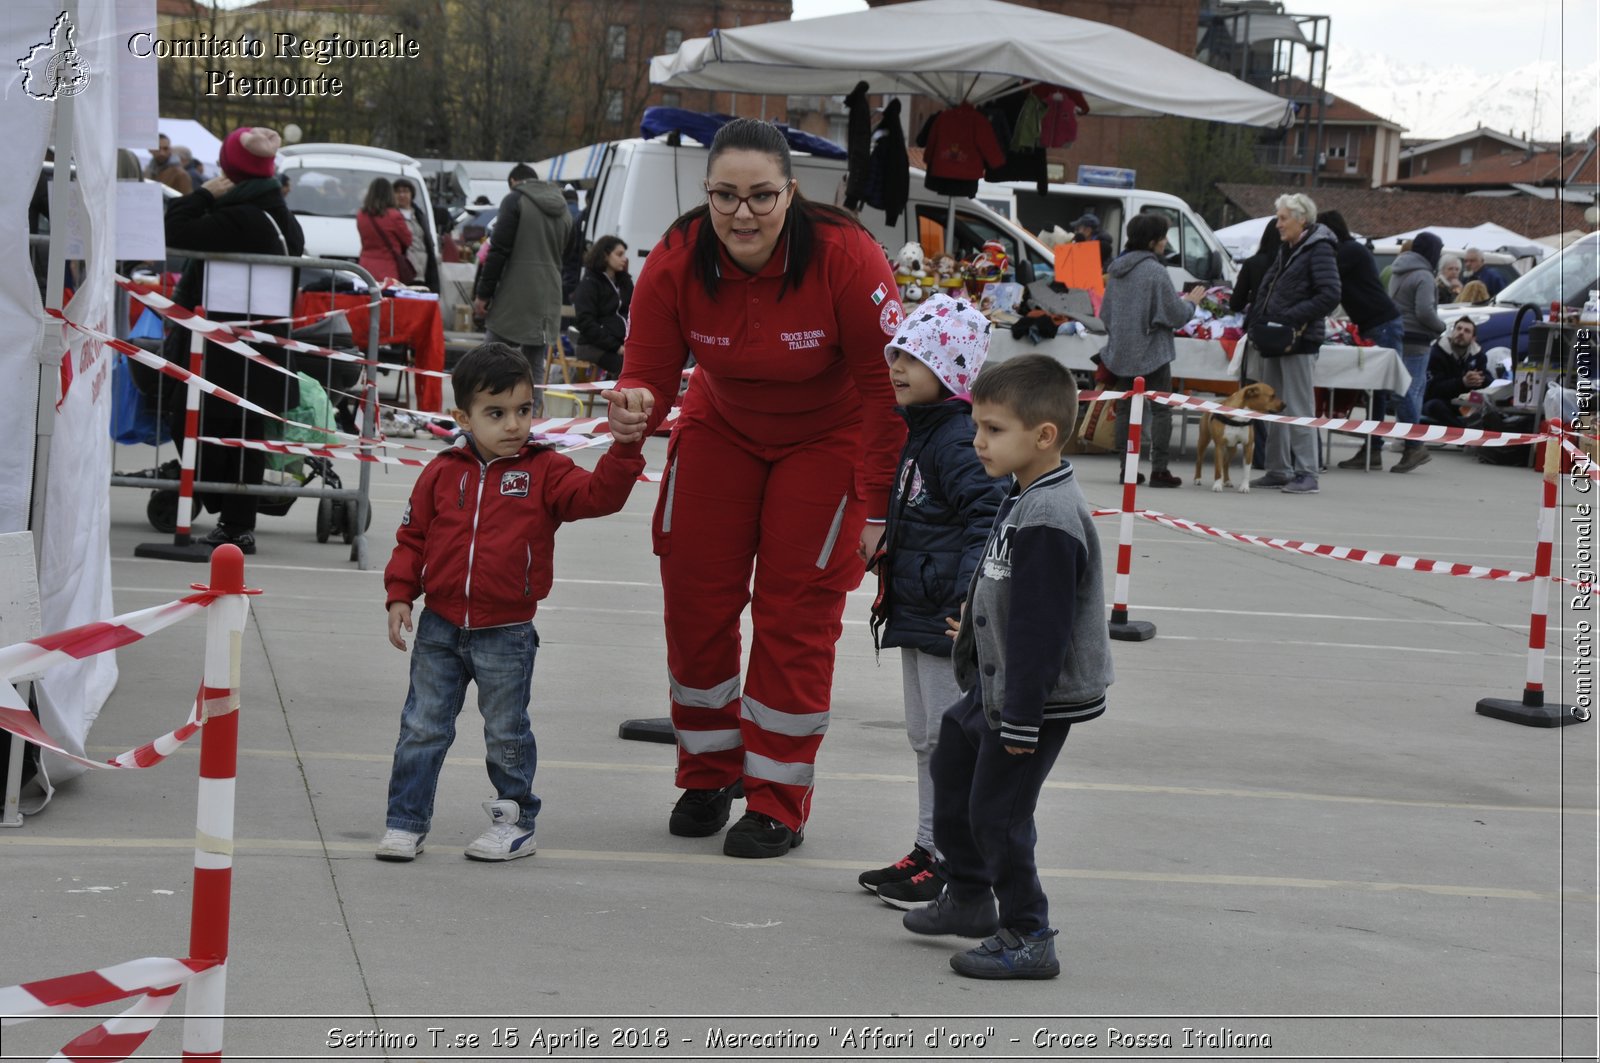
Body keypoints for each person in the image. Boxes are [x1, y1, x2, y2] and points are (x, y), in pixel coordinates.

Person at [602, 118, 907, 859]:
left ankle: (777, 798)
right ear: (705, 193)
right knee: (696, 599)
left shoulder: (847, 258)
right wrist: (633, 402)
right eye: (726, 195)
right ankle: (706, 775)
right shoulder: (674, 260)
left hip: (827, 438)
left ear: (791, 192)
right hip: (722, 426)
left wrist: (874, 506)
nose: (743, 213)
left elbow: (887, 395)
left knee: (795, 613)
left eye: (762, 196)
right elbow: (644, 369)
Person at [377, 343, 646, 863]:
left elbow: (600, 497)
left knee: (506, 734)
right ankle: (405, 822)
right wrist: (399, 596)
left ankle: (514, 822)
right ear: (463, 417)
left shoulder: (547, 469)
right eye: (496, 414)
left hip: (508, 632)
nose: (514, 424)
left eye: (523, 410)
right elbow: (412, 539)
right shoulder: (440, 472)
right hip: (439, 627)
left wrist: (625, 450)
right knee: (421, 728)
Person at [898, 354, 1111, 981]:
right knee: (950, 768)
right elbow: (1011, 596)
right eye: (977, 426)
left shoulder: (1048, 517)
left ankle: (1029, 932)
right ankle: (968, 897)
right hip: (997, 683)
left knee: (1000, 814)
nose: (977, 440)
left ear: (1043, 435)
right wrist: (979, 630)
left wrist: (1021, 719)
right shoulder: (1023, 493)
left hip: (1029, 700)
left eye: (993, 429)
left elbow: (1043, 629)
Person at [860, 293, 1004, 910]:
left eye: (914, 358)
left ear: (950, 372)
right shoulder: (921, 433)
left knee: (950, 744)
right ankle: (928, 846)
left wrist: (970, 603)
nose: (897, 367)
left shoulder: (954, 441)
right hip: (918, 609)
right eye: (896, 354)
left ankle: (954, 863)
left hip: (948, 617)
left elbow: (986, 517)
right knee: (925, 738)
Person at [158, 126, 302, 554]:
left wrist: (204, 194)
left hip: (225, 347)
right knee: (244, 433)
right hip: (258, 343)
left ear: (229, 171)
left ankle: (230, 515)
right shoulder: (280, 215)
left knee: (210, 428)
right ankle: (234, 521)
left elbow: (172, 228)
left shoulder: (238, 217)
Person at [1099, 212, 1205, 488]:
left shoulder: (1116, 271)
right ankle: (1159, 469)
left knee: (1124, 410)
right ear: (1152, 241)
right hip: (1153, 352)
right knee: (1161, 410)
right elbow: (1176, 314)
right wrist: (1192, 303)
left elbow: (1105, 314)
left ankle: (1127, 469)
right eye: (1162, 237)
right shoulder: (1155, 271)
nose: (1165, 242)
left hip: (1120, 353)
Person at [1245, 192, 1341, 496]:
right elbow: (1269, 288)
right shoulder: (1289, 249)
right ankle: (1278, 469)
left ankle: (1307, 473)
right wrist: (1258, 321)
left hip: (1298, 340)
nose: (1278, 224)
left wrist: (1288, 318)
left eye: (1283, 218)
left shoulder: (1318, 249)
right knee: (1273, 405)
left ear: (1302, 219)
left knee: (1299, 407)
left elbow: (1330, 295)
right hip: (1276, 338)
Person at [1319, 210, 1404, 471]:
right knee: (1377, 393)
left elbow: (1326, 278)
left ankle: (1412, 445)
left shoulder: (1349, 251)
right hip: (1375, 324)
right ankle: (1373, 449)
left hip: (1382, 324)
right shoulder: (1350, 251)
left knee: (1389, 390)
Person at [474, 164, 572, 375]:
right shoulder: (563, 207)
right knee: (533, 367)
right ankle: (532, 408)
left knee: (488, 359)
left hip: (514, 294)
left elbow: (498, 250)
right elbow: (566, 251)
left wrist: (483, 294)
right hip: (548, 296)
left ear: (513, 182)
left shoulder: (515, 199)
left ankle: (484, 406)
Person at [1387, 230, 1449, 474]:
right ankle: (1414, 445)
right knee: (1410, 393)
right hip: (1418, 340)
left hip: (1399, 336)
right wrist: (1441, 327)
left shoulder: (1398, 270)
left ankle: (1408, 440)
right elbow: (1424, 311)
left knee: (1402, 392)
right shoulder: (1424, 275)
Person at [570, 234, 631, 377]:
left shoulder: (624, 283)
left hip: (620, 344)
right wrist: (616, 347)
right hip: (591, 346)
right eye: (619, 254)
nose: (624, 259)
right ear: (605, 255)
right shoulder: (589, 284)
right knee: (625, 367)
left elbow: (633, 313)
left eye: (624, 255)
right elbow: (586, 323)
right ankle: (618, 397)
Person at [1421, 317, 1489, 428]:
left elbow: (1487, 379)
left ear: (1473, 339)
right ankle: (1464, 433)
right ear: (1452, 332)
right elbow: (1432, 389)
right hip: (1441, 402)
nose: (1461, 332)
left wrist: (1479, 379)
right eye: (1458, 329)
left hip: (1465, 404)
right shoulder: (1436, 353)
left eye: (1467, 331)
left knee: (1486, 406)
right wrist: (1462, 382)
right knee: (1434, 406)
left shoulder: (1478, 356)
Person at [356, 177, 413, 286]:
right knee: (387, 300)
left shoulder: (361, 215)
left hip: (365, 266)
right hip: (388, 268)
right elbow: (408, 240)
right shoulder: (394, 216)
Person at [391, 177, 440, 292]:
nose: (402, 195)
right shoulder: (391, 215)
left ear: (411, 194)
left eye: (405, 191)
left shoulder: (419, 215)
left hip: (422, 268)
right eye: (398, 192)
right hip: (403, 267)